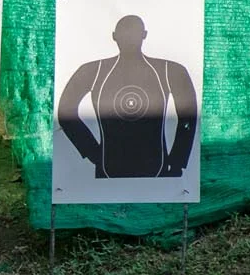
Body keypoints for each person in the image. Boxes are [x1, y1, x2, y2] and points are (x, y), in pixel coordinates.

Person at [57, 14, 198, 178]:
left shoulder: (169, 70)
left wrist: (178, 160)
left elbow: (189, 115)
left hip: (136, 166)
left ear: (144, 35)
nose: (130, 39)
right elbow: (65, 112)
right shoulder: (94, 71)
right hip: (119, 167)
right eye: (126, 33)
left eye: (133, 33)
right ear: (114, 36)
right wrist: (92, 152)